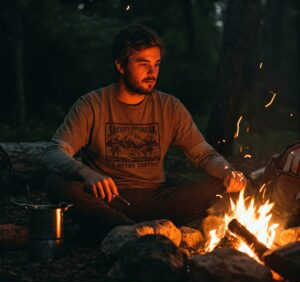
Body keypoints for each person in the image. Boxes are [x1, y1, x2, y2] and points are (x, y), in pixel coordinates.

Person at [42, 24, 246, 234]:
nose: (152, 72)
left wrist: (227, 171)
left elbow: (203, 154)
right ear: (120, 65)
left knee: (222, 187)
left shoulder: (169, 106)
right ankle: (127, 229)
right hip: (107, 200)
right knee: (55, 182)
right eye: (143, 64)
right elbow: (53, 152)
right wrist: (87, 174)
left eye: (156, 64)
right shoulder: (92, 104)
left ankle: (120, 229)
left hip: (156, 200)